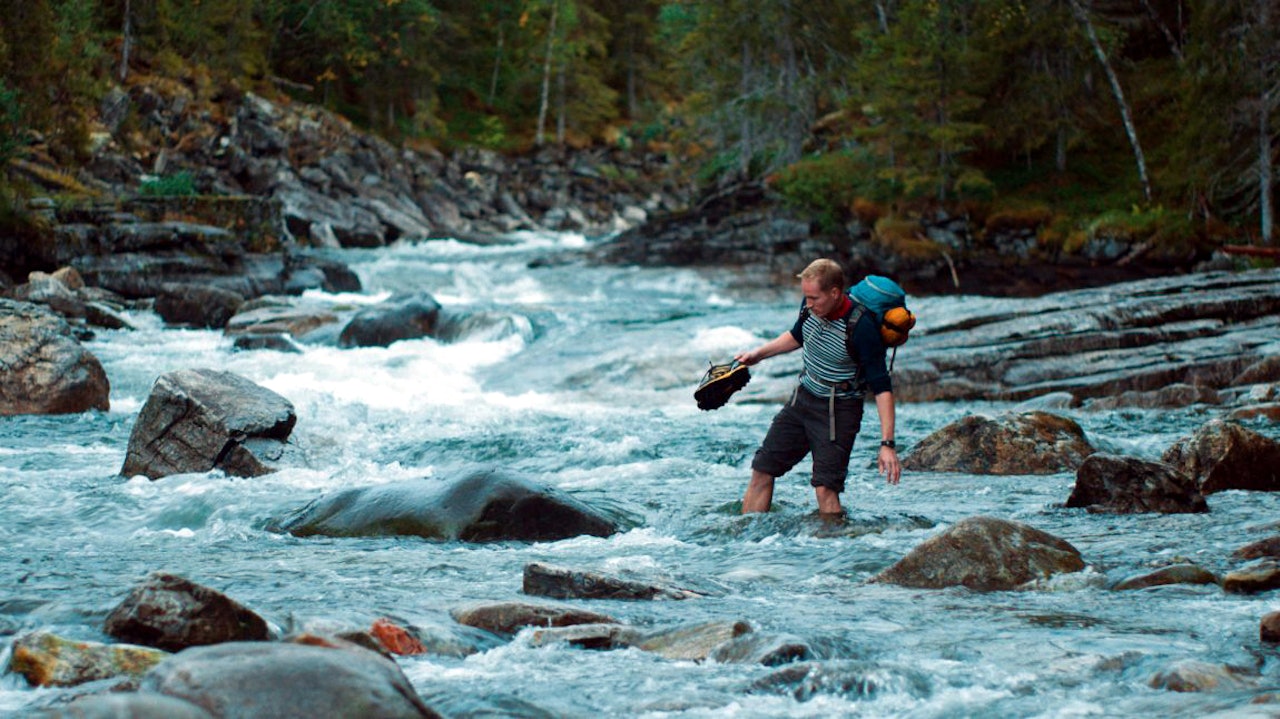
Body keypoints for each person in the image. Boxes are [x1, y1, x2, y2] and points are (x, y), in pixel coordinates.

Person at [734, 258, 902, 516]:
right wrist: (759, 354)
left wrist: (887, 444)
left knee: (825, 489)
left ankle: (831, 552)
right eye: (806, 297)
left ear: (835, 293)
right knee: (762, 470)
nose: (809, 304)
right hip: (801, 401)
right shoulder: (810, 308)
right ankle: (746, 546)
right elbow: (796, 336)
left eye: (814, 298)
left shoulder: (862, 328)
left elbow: (882, 388)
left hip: (839, 412)